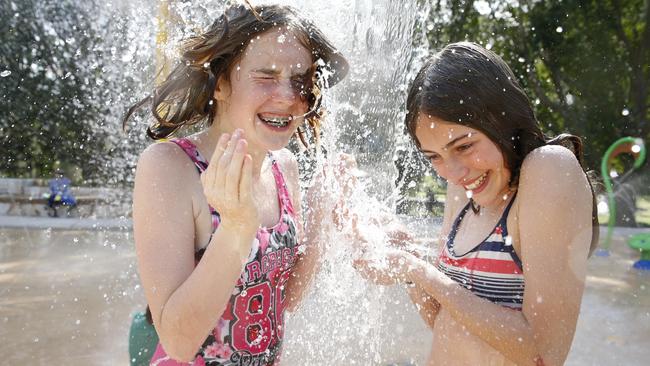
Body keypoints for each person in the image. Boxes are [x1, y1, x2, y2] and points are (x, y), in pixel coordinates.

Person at [124, 4, 348, 365]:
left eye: (300, 79)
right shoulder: (170, 168)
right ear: (223, 81)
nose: (289, 96)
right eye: (267, 75)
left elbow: (284, 299)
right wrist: (236, 227)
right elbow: (179, 341)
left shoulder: (283, 167)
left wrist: (323, 217)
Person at [357, 42, 599, 366]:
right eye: (434, 157)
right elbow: (445, 322)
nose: (453, 172)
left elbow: (543, 353)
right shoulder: (465, 187)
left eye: (464, 146)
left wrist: (422, 271)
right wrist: (407, 258)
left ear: (500, 118)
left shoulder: (548, 169)